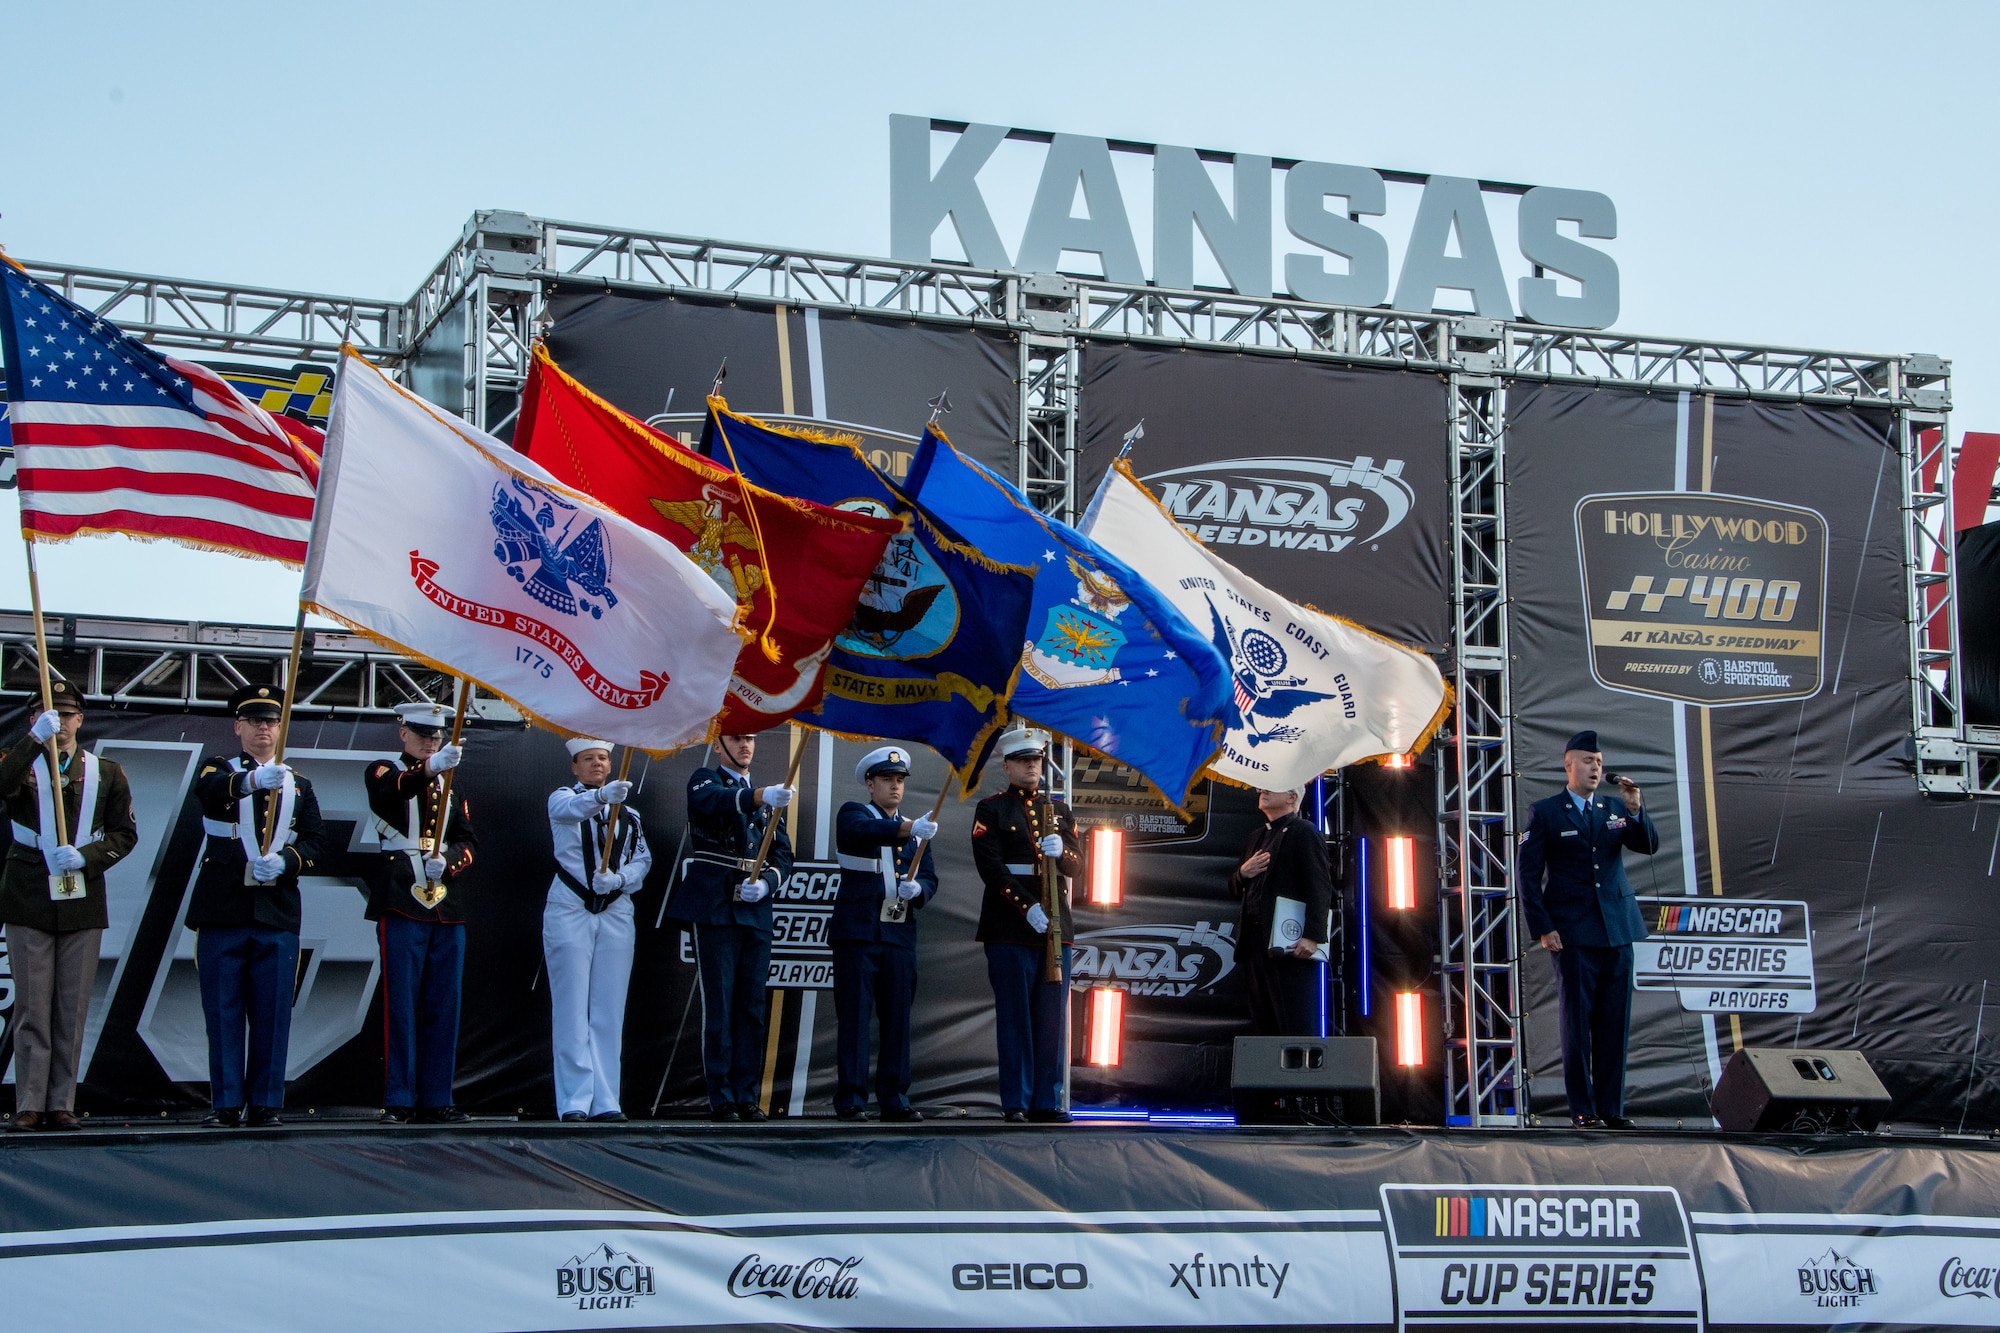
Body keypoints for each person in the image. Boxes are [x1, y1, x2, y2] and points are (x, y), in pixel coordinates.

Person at [187, 684, 327, 1128]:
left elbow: (317, 842)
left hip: (276, 908)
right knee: (223, 1011)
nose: (264, 728)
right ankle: (226, 1104)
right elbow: (209, 792)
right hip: (223, 908)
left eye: (271, 721)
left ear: (280, 728)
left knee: (271, 1012)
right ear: (238, 727)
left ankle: (266, 1102)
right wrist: (249, 781)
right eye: (255, 721)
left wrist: (287, 861)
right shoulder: (219, 767)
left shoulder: (299, 785)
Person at [0, 679, 137, 1131]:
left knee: (71, 1008)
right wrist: (31, 740)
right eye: (49, 714)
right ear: (36, 718)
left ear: (80, 719)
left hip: (81, 895)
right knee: (32, 1008)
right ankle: (29, 1104)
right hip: (28, 894)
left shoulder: (106, 772)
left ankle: (62, 1102)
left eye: (66, 714)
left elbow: (124, 833)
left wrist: (88, 857)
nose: (60, 722)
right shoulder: (20, 762)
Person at [1516, 729, 1660, 1129]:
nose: (1596, 767)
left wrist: (1635, 811)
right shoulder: (1546, 812)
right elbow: (1527, 876)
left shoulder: (1613, 808)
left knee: (1615, 1023)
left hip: (1617, 930)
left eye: (1599, 762)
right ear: (1569, 765)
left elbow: (1648, 845)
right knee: (1578, 1025)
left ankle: (1612, 1108)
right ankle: (1583, 1109)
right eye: (1588, 761)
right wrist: (1544, 927)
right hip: (1574, 933)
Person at [666, 732, 794, 1122]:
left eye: (751, 739)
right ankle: (721, 1096)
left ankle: (747, 1095)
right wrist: (758, 798)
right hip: (718, 904)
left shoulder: (765, 796)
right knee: (719, 1006)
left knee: (751, 1007)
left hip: (754, 909)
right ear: (719, 744)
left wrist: (768, 882)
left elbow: (784, 855)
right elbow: (712, 803)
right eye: (736, 738)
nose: (745, 745)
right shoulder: (707, 778)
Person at [363, 701, 477, 1125]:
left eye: (437, 736)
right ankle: (399, 1098)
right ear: (403, 733)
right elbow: (392, 792)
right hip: (400, 896)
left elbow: (469, 839)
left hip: (445, 902)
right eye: (423, 734)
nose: (431, 742)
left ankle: (437, 1097)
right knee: (402, 1004)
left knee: (443, 1004)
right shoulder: (382, 769)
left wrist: (449, 860)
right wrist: (429, 770)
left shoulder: (453, 782)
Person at [971, 726, 1080, 1124]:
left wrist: (1064, 850)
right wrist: (1026, 906)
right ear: (1008, 766)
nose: (1032, 767)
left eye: (1036, 761)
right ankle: (1016, 1100)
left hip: (1055, 926)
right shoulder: (992, 809)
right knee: (1015, 1015)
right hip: (1011, 926)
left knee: (1052, 1018)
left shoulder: (1059, 811)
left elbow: (1076, 865)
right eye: (1024, 761)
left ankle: (1046, 1101)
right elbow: (991, 868)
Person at [543, 737, 652, 1123]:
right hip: (570, 907)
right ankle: (574, 1098)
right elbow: (571, 811)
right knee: (571, 1006)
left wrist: (621, 878)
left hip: (616, 910)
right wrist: (603, 797)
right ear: (575, 766)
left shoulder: (631, 814)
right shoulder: (562, 797)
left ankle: (606, 1099)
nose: (597, 764)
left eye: (603, 758)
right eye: (588, 759)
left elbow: (643, 858)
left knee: (608, 1009)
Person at [831, 745, 939, 1122]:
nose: (895, 787)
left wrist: (920, 890)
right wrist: (910, 829)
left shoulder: (916, 830)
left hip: (898, 934)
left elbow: (929, 875)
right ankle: (852, 1099)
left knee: (897, 1020)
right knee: (855, 1018)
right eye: (887, 780)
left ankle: (894, 1098)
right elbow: (863, 831)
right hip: (859, 933)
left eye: (899, 781)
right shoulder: (855, 813)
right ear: (870, 784)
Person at [1227, 785, 1332, 1037]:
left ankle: (1297, 1075)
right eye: (1262, 787)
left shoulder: (1304, 832)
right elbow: (1232, 887)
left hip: (1289, 945)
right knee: (1263, 1022)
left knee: (1293, 1021)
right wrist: (1243, 873)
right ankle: (1267, 1075)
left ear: (1291, 797)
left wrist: (1313, 936)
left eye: (1272, 787)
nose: (1262, 791)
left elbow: (1319, 885)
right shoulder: (1256, 837)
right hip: (1254, 944)